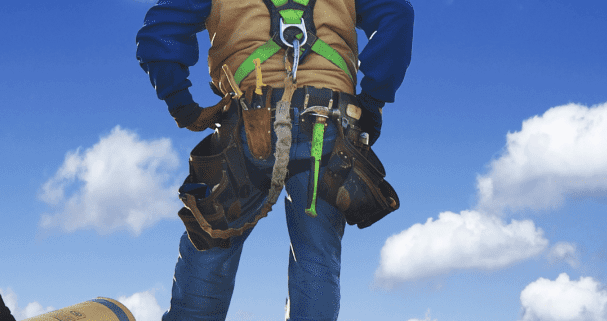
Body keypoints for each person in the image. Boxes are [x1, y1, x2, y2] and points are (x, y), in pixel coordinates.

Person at [136, 0, 412, 319]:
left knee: (210, 246)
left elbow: (160, 31)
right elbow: (397, 16)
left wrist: (182, 105)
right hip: (329, 127)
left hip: (246, 123)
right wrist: (372, 101)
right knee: (316, 262)